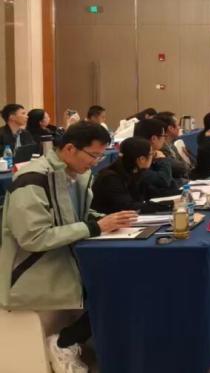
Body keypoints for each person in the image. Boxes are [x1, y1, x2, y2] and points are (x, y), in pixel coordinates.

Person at [0, 122, 138, 373]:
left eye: (100, 156)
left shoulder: (76, 176)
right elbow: (33, 238)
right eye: (93, 155)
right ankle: (64, 342)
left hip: (67, 257)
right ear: (70, 148)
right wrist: (95, 227)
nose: (96, 162)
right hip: (34, 269)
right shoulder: (32, 180)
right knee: (116, 287)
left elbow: (75, 217)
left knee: (131, 278)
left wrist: (109, 221)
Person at [91, 137, 173, 214]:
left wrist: (172, 202)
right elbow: (128, 207)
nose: (153, 157)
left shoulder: (134, 172)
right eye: (152, 154)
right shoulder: (110, 178)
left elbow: (152, 193)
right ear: (141, 159)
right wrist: (165, 206)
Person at [132, 119, 181, 196]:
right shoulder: (141, 158)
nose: (164, 139)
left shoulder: (153, 153)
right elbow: (164, 181)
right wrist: (162, 159)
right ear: (154, 139)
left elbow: (178, 171)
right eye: (164, 136)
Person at [154, 111, 191, 182]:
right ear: (170, 128)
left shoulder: (171, 144)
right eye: (178, 125)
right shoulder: (160, 148)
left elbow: (185, 166)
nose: (179, 128)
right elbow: (181, 168)